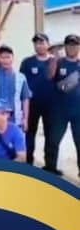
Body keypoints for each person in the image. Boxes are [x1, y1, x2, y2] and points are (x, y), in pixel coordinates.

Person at [19, 33, 55, 165]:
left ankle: (50, 165)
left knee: (50, 136)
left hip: (51, 106)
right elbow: (21, 83)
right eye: (36, 43)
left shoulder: (55, 62)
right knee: (29, 134)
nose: (39, 45)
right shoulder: (27, 62)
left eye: (42, 42)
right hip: (31, 105)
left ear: (48, 44)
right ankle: (28, 162)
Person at [47, 34, 80, 176]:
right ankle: (50, 168)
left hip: (78, 111)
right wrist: (54, 59)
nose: (72, 47)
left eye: (75, 45)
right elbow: (49, 76)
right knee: (53, 141)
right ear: (65, 46)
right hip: (60, 110)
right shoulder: (59, 62)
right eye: (69, 45)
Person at [0, 45, 32, 130]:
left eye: (8, 57)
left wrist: (25, 119)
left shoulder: (20, 77)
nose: (5, 60)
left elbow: (25, 99)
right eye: (2, 57)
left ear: (12, 58)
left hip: (15, 121)